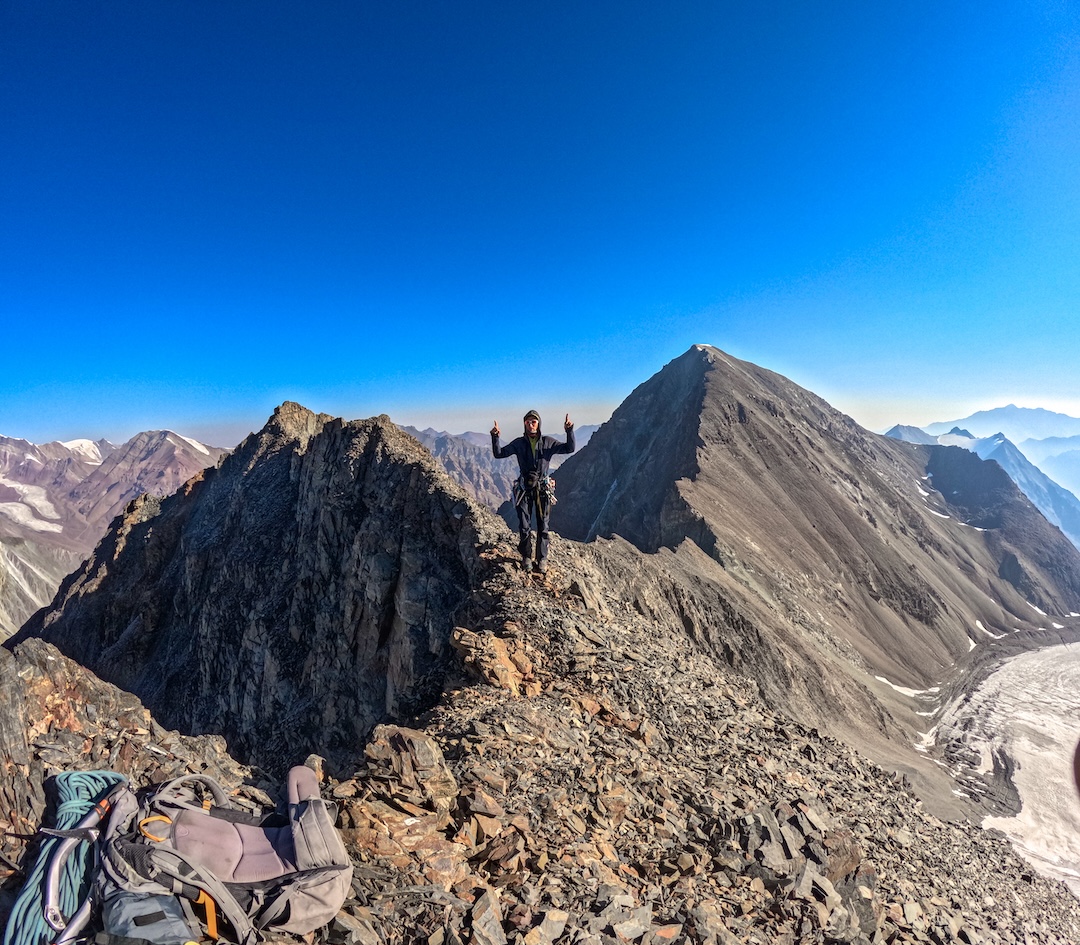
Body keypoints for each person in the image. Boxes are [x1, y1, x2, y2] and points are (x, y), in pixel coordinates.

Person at [491, 409, 575, 574]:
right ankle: (527, 557)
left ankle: (542, 559)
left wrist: (569, 431)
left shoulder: (548, 442)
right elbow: (499, 454)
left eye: (534, 421)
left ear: (538, 423)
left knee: (543, 525)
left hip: (542, 489)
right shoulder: (519, 443)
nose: (531, 424)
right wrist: (495, 437)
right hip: (524, 489)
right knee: (524, 525)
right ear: (524, 424)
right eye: (528, 421)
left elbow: (569, 448)